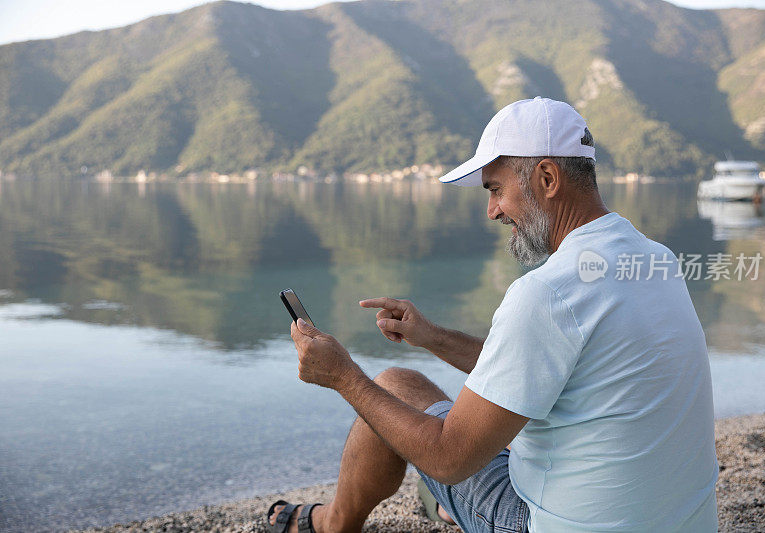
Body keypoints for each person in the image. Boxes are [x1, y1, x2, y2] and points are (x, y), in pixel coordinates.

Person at [266, 98, 718, 533]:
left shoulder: (547, 292)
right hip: (681, 522)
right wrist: (431, 336)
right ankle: (444, 507)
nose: (492, 211)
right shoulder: (654, 258)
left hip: (548, 524)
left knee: (394, 387)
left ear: (546, 177)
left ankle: (332, 524)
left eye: (496, 189)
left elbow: (449, 457)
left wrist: (343, 375)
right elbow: (548, 364)